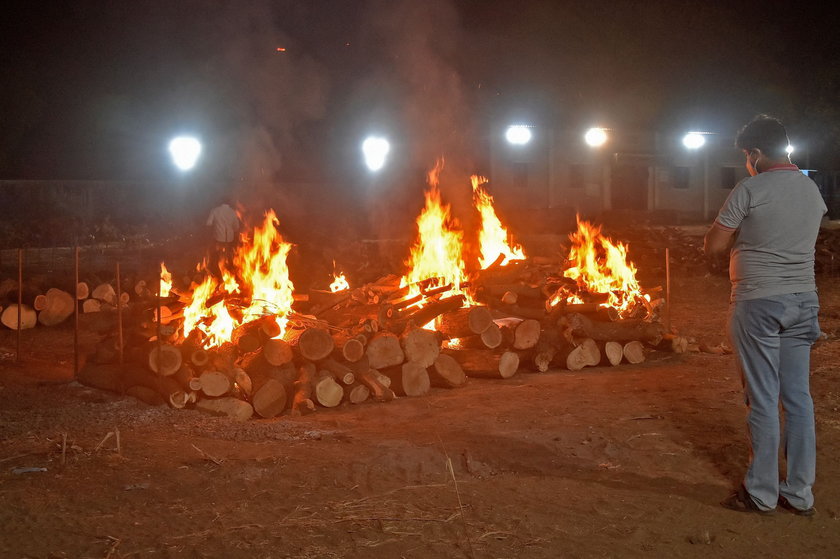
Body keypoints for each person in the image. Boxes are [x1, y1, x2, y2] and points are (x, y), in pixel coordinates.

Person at [704, 114, 827, 516]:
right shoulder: (811, 189)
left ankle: (760, 493)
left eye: (746, 155)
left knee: (761, 398)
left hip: (758, 302)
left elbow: (714, 245)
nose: (746, 162)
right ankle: (800, 493)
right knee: (798, 399)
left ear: (755, 153)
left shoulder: (750, 188)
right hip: (803, 300)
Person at [206, 196, 240, 275]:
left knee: (216, 255)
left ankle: (216, 271)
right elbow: (236, 226)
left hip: (218, 238)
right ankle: (228, 272)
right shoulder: (232, 212)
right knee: (227, 255)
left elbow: (208, 224)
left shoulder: (215, 210)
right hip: (229, 238)